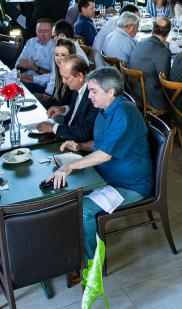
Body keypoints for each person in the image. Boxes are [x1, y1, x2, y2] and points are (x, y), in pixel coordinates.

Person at [49, 68, 153, 260]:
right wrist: (79, 146)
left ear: (111, 92)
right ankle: (71, 250)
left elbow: (104, 155)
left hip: (130, 186)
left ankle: (91, 264)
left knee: (83, 209)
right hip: (104, 177)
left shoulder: (122, 114)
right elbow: (101, 144)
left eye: (93, 91)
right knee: (65, 196)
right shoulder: (105, 109)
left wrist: (70, 165)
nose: (89, 96)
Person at [37, 55, 97, 142]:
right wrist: (64, 109)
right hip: (66, 134)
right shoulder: (77, 85)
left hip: (76, 143)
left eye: (66, 78)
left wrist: (53, 128)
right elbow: (77, 109)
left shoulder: (94, 96)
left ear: (80, 76)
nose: (64, 81)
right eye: (62, 77)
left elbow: (85, 133)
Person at [128, 17, 172, 112]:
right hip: (152, 99)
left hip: (135, 93)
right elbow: (166, 81)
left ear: (153, 29)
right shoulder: (163, 51)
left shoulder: (141, 42)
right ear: (168, 34)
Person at [16, 18, 54, 93]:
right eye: (39, 31)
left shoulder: (55, 47)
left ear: (52, 32)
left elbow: (54, 77)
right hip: (23, 79)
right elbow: (17, 65)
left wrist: (36, 68)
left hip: (41, 86)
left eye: (46, 31)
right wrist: (26, 66)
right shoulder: (31, 41)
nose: (42, 35)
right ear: (36, 31)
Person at [42, 38, 77, 105]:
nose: (59, 58)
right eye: (57, 55)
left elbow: (69, 105)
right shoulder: (59, 72)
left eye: (63, 55)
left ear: (72, 56)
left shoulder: (74, 77)